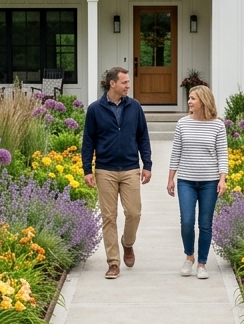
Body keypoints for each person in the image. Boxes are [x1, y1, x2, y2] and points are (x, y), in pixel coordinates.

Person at [82, 67, 152, 279]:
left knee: (133, 213)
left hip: (130, 168)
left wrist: (147, 164)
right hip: (105, 170)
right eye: (124, 82)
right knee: (109, 217)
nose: (128, 86)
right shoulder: (95, 109)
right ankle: (113, 262)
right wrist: (87, 169)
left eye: (128, 82)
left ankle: (127, 244)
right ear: (112, 83)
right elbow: (88, 142)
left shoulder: (135, 107)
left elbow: (143, 137)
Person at [167, 85, 228, 278]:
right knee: (186, 221)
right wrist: (171, 178)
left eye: (193, 98)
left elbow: (222, 154)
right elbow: (176, 151)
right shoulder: (182, 124)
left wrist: (222, 179)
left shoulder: (218, 125)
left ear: (203, 101)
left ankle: (202, 263)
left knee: (205, 223)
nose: (189, 101)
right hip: (186, 180)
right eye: (189, 98)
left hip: (209, 182)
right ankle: (189, 257)